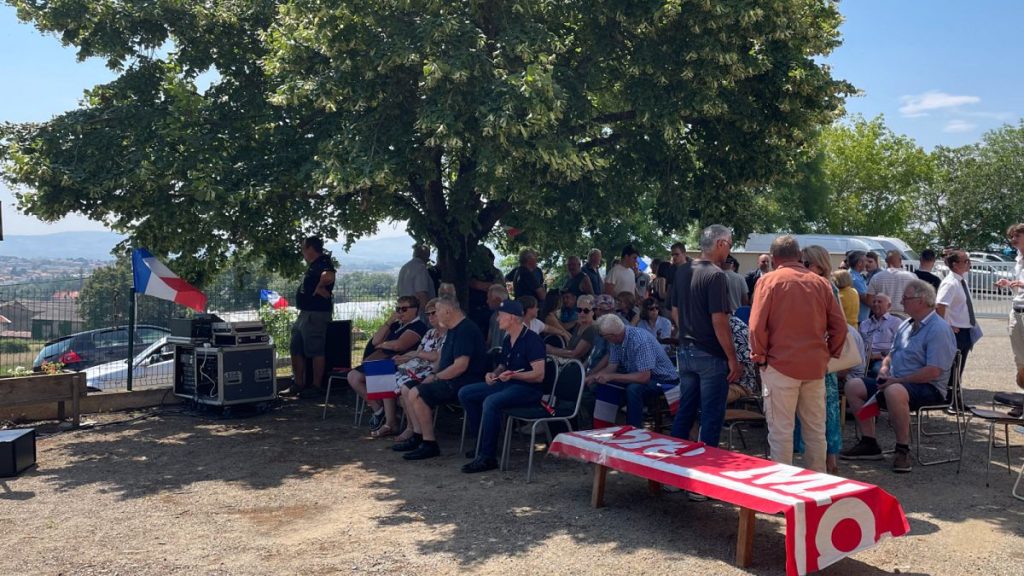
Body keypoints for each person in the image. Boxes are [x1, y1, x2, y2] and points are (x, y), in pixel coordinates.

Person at [748, 235, 846, 473]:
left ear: (773, 258)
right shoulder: (822, 283)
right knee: (815, 431)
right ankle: (817, 489)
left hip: (779, 366)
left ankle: (785, 494)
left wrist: (759, 356)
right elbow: (840, 326)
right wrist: (830, 354)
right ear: (800, 256)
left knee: (781, 432)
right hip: (814, 367)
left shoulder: (768, 281)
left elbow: (756, 325)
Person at [840, 280, 956, 473]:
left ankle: (902, 449)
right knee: (853, 385)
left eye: (906, 298)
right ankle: (869, 442)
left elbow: (933, 371)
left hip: (928, 387)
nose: (902, 302)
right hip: (898, 381)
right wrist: (885, 370)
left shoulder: (939, 329)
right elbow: (891, 355)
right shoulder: (906, 324)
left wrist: (896, 381)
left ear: (921, 301)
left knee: (894, 391)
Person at [669, 225, 741, 448]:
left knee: (685, 411)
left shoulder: (682, 270)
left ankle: (672, 471)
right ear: (720, 243)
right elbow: (719, 320)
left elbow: (674, 311)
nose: (728, 251)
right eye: (729, 245)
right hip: (710, 354)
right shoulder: (716, 275)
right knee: (711, 416)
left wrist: (689, 332)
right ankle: (704, 470)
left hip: (685, 350)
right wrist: (732, 358)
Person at [458, 300, 546, 473]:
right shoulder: (508, 339)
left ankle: (487, 457)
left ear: (512, 317)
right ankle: (482, 443)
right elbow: (503, 365)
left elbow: (539, 375)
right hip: (509, 384)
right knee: (466, 393)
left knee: (491, 402)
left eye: (501, 316)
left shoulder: (532, 340)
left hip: (528, 389)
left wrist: (515, 375)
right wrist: (494, 374)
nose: (497, 319)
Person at [401, 296, 488, 461]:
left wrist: (435, 377)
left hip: (463, 381)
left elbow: (460, 366)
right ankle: (419, 437)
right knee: (409, 387)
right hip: (448, 378)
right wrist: (431, 375)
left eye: (438, 311)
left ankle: (429, 444)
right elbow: (442, 360)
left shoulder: (466, 330)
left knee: (417, 393)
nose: (435, 316)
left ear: (448, 311)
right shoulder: (453, 330)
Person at [793, 245, 845, 474]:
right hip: (818, 358)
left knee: (824, 411)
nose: (801, 267)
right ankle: (824, 460)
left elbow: (836, 324)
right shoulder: (823, 286)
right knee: (819, 411)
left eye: (805, 263)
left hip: (820, 359)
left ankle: (828, 460)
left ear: (818, 264)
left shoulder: (826, 287)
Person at [347, 296, 428, 437]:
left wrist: (383, 345)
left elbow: (399, 345)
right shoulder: (396, 325)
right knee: (353, 376)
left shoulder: (418, 326)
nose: (400, 312)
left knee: (382, 370)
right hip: (383, 361)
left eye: (404, 309)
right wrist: (389, 321)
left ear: (415, 310)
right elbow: (375, 341)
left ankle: (390, 423)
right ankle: (379, 410)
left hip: (401, 363)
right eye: (398, 309)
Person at [585, 314, 678, 427]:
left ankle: (633, 428)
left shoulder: (639, 340)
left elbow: (644, 377)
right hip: (640, 375)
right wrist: (594, 376)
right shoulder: (615, 340)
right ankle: (604, 426)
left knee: (633, 388)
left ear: (612, 335)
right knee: (603, 386)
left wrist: (612, 377)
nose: (603, 338)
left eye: (604, 336)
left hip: (663, 380)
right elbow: (612, 366)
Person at [391, 299, 447, 450]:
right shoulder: (430, 333)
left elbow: (436, 357)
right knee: (395, 380)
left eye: (433, 313)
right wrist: (405, 357)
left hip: (434, 372)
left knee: (406, 388)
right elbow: (418, 353)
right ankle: (414, 430)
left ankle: (417, 433)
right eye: (428, 314)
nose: (430, 317)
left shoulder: (449, 334)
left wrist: (416, 354)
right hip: (419, 368)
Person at [284, 236, 336, 397]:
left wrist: (319, 287)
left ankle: (316, 386)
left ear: (310, 249)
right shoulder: (314, 265)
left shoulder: (323, 262)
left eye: (303, 248)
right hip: (305, 313)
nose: (302, 252)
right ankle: (298, 383)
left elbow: (329, 276)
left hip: (316, 313)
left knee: (315, 349)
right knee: (296, 346)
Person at [936, 250, 978, 387]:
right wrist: (946, 326)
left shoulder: (960, 280)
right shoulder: (950, 283)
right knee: (954, 367)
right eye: (965, 261)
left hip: (964, 330)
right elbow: (940, 305)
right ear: (955, 264)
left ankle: (954, 398)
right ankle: (950, 399)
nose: (969, 264)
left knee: (958, 367)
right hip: (956, 332)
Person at [996, 223, 1024, 415]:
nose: (1013, 240)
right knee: (1020, 359)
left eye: (1016, 236)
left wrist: (1021, 284)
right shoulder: (1018, 259)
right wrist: (1010, 284)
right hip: (1017, 311)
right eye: (1012, 237)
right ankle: (1021, 400)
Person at [860, 294, 903, 376]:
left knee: (877, 370)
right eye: (874, 302)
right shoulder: (864, 323)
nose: (876, 304)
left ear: (889, 306)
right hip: (863, 358)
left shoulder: (896, 322)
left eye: (879, 302)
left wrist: (879, 355)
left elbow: (899, 346)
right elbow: (859, 344)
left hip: (883, 358)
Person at [547, 294, 599, 361]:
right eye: (579, 310)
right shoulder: (579, 325)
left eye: (586, 311)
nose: (582, 313)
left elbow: (575, 354)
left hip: (577, 366)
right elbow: (569, 348)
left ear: (593, 312)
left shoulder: (592, 329)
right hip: (568, 361)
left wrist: (552, 350)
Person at [869, 250, 917, 314]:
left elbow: (869, 300)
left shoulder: (876, 277)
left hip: (883, 315)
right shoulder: (912, 277)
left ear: (886, 261)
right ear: (900, 260)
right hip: (904, 316)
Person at [396, 244, 435, 315]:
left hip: (403, 310)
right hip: (417, 312)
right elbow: (421, 294)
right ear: (426, 257)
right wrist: (428, 313)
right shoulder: (420, 268)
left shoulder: (404, 267)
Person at [845, 250, 872, 326]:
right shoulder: (854, 279)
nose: (867, 264)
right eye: (866, 261)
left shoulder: (857, 276)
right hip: (859, 321)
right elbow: (866, 300)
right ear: (860, 263)